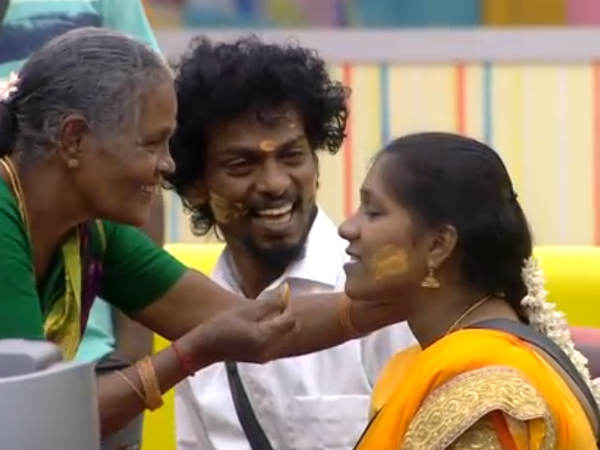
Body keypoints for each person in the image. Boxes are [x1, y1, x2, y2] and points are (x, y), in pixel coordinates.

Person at [168, 36, 415, 450]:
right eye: (242, 164)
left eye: (291, 156)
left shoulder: (382, 294)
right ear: (195, 186)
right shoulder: (195, 313)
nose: (275, 183)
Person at [337, 132, 600, 449]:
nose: (347, 228)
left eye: (373, 212)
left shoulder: (483, 386)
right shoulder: (428, 363)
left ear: (438, 245)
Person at [0, 0, 161, 371]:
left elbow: (143, 136)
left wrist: (134, 356)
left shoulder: (96, 223)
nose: (166, 164)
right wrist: (181, 357)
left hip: (94, 356)